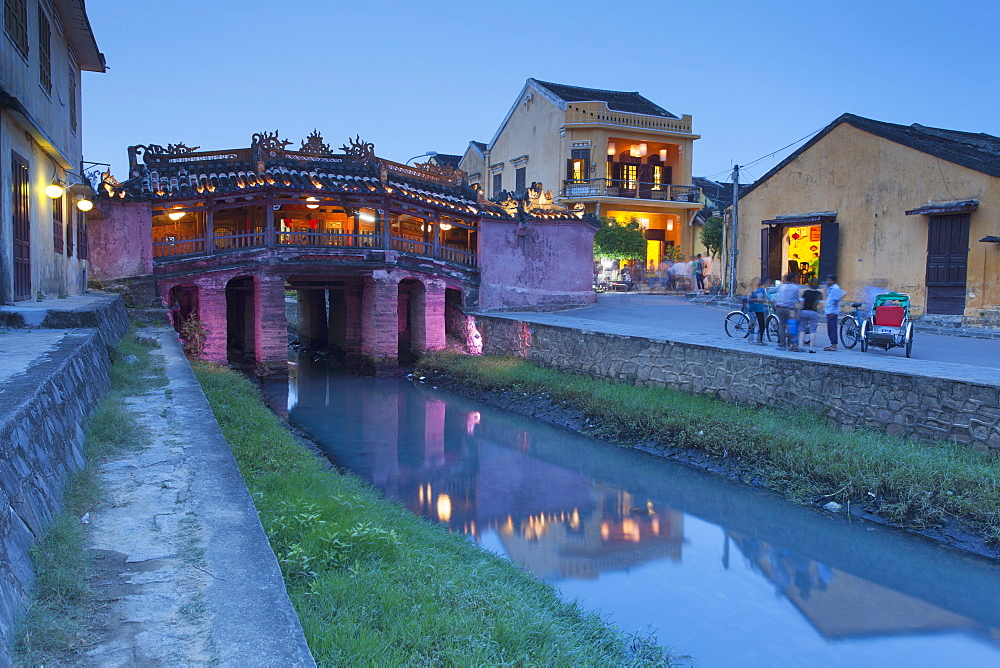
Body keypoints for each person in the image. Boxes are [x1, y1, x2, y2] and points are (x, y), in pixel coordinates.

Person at [773, 273, 802, 351]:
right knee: (791, 325)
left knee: (782, 326)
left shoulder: (781, 287)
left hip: (780, 308)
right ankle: (791, 343)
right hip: (790, 309)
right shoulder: (795, 288)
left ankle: (782, 343)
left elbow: (772, 291)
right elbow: (797, 299)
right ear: (793, 279)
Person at [799, 278, 822, 353]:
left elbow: (801, 303)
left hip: (804, 311)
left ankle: (801, 346)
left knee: (802, 329)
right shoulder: (819, 293)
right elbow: (820, 305)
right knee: (813, 330)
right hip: (813, 312)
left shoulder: (806, 292)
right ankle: (811, 348)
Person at [823, 274, 846, 351]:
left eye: (829, 280)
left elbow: (836, 300)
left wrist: (833, 311)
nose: (828, 281)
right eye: (827, 280)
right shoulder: (831, 288)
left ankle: (834, 345)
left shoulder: (835, 288)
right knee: (830, 328)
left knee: (832, 328)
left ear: (834, 281)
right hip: (829, 310)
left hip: (832, 311)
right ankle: (832, 344)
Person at [747, 279, 770, 345]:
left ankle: (759, 340)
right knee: (752, 324)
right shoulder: (751, 290)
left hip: (760, 309)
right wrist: (757, 300)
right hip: (753, 309)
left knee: (762, 325)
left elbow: (765, 298)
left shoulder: (761, 290)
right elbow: (749, 299)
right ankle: (750, 339)